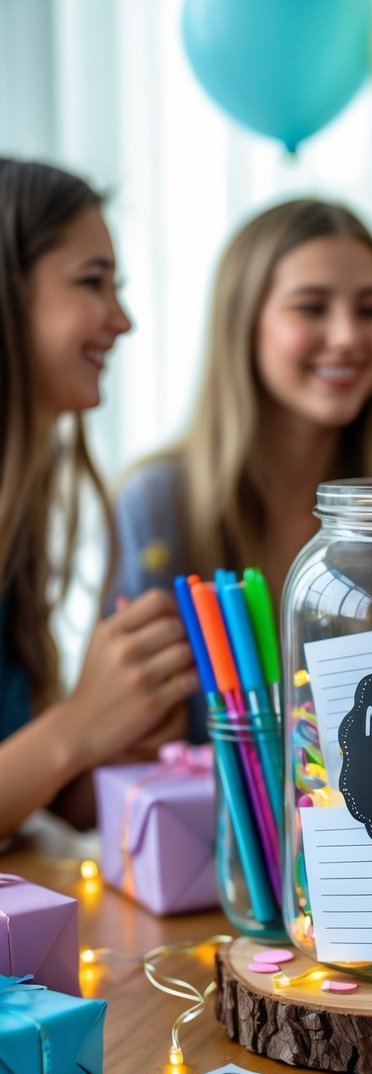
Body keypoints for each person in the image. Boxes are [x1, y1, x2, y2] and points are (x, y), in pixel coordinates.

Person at [0, 158, 199, 840]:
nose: (122, 320)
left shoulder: (25, 496)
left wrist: (128, 727)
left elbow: (61, 800)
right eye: (93, 283)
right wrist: (78, 726)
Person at [107, 198, 372, 629]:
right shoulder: (155, 503)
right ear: (243, 323)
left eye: (371, 310)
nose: (346, 336)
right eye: (311, 307)